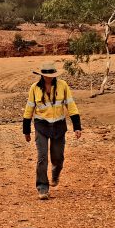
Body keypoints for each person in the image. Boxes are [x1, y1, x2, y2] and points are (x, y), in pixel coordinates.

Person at [22, 62, 82, 200]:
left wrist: (77, 126)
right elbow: (29, 108)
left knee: (58, 157)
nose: (48, 78)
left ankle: (56, 172)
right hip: (41, 126)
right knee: (42, 157)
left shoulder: (63, 86)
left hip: (59, 126)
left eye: (51, 75)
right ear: (42, 75)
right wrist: (26, 131)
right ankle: (42, 187)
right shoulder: (35, 88)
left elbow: (71, 106)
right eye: (46, 75)